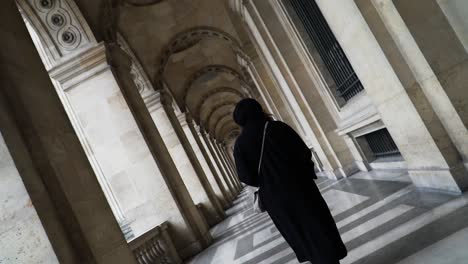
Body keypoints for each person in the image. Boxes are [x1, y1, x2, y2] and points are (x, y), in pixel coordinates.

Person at [233, 98, 347, 264]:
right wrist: (303, 173)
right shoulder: (278, 127)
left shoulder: (240, 144)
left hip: (275, 199)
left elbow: (245, 176)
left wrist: (266, 180)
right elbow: (303, 152)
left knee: (300, 232)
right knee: (318, 226)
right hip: (301, 187)